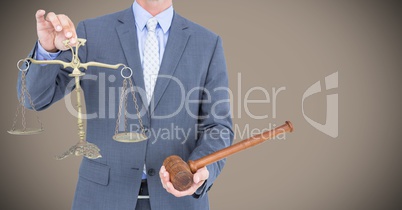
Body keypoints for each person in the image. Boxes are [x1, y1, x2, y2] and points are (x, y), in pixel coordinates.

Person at [20, 0, 233, 209]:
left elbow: (218, 127)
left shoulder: (207, 43)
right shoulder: (91, 32)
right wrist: (47, 51)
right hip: (102, 198)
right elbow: (34, 99)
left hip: (179, 200)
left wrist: (201, 170)